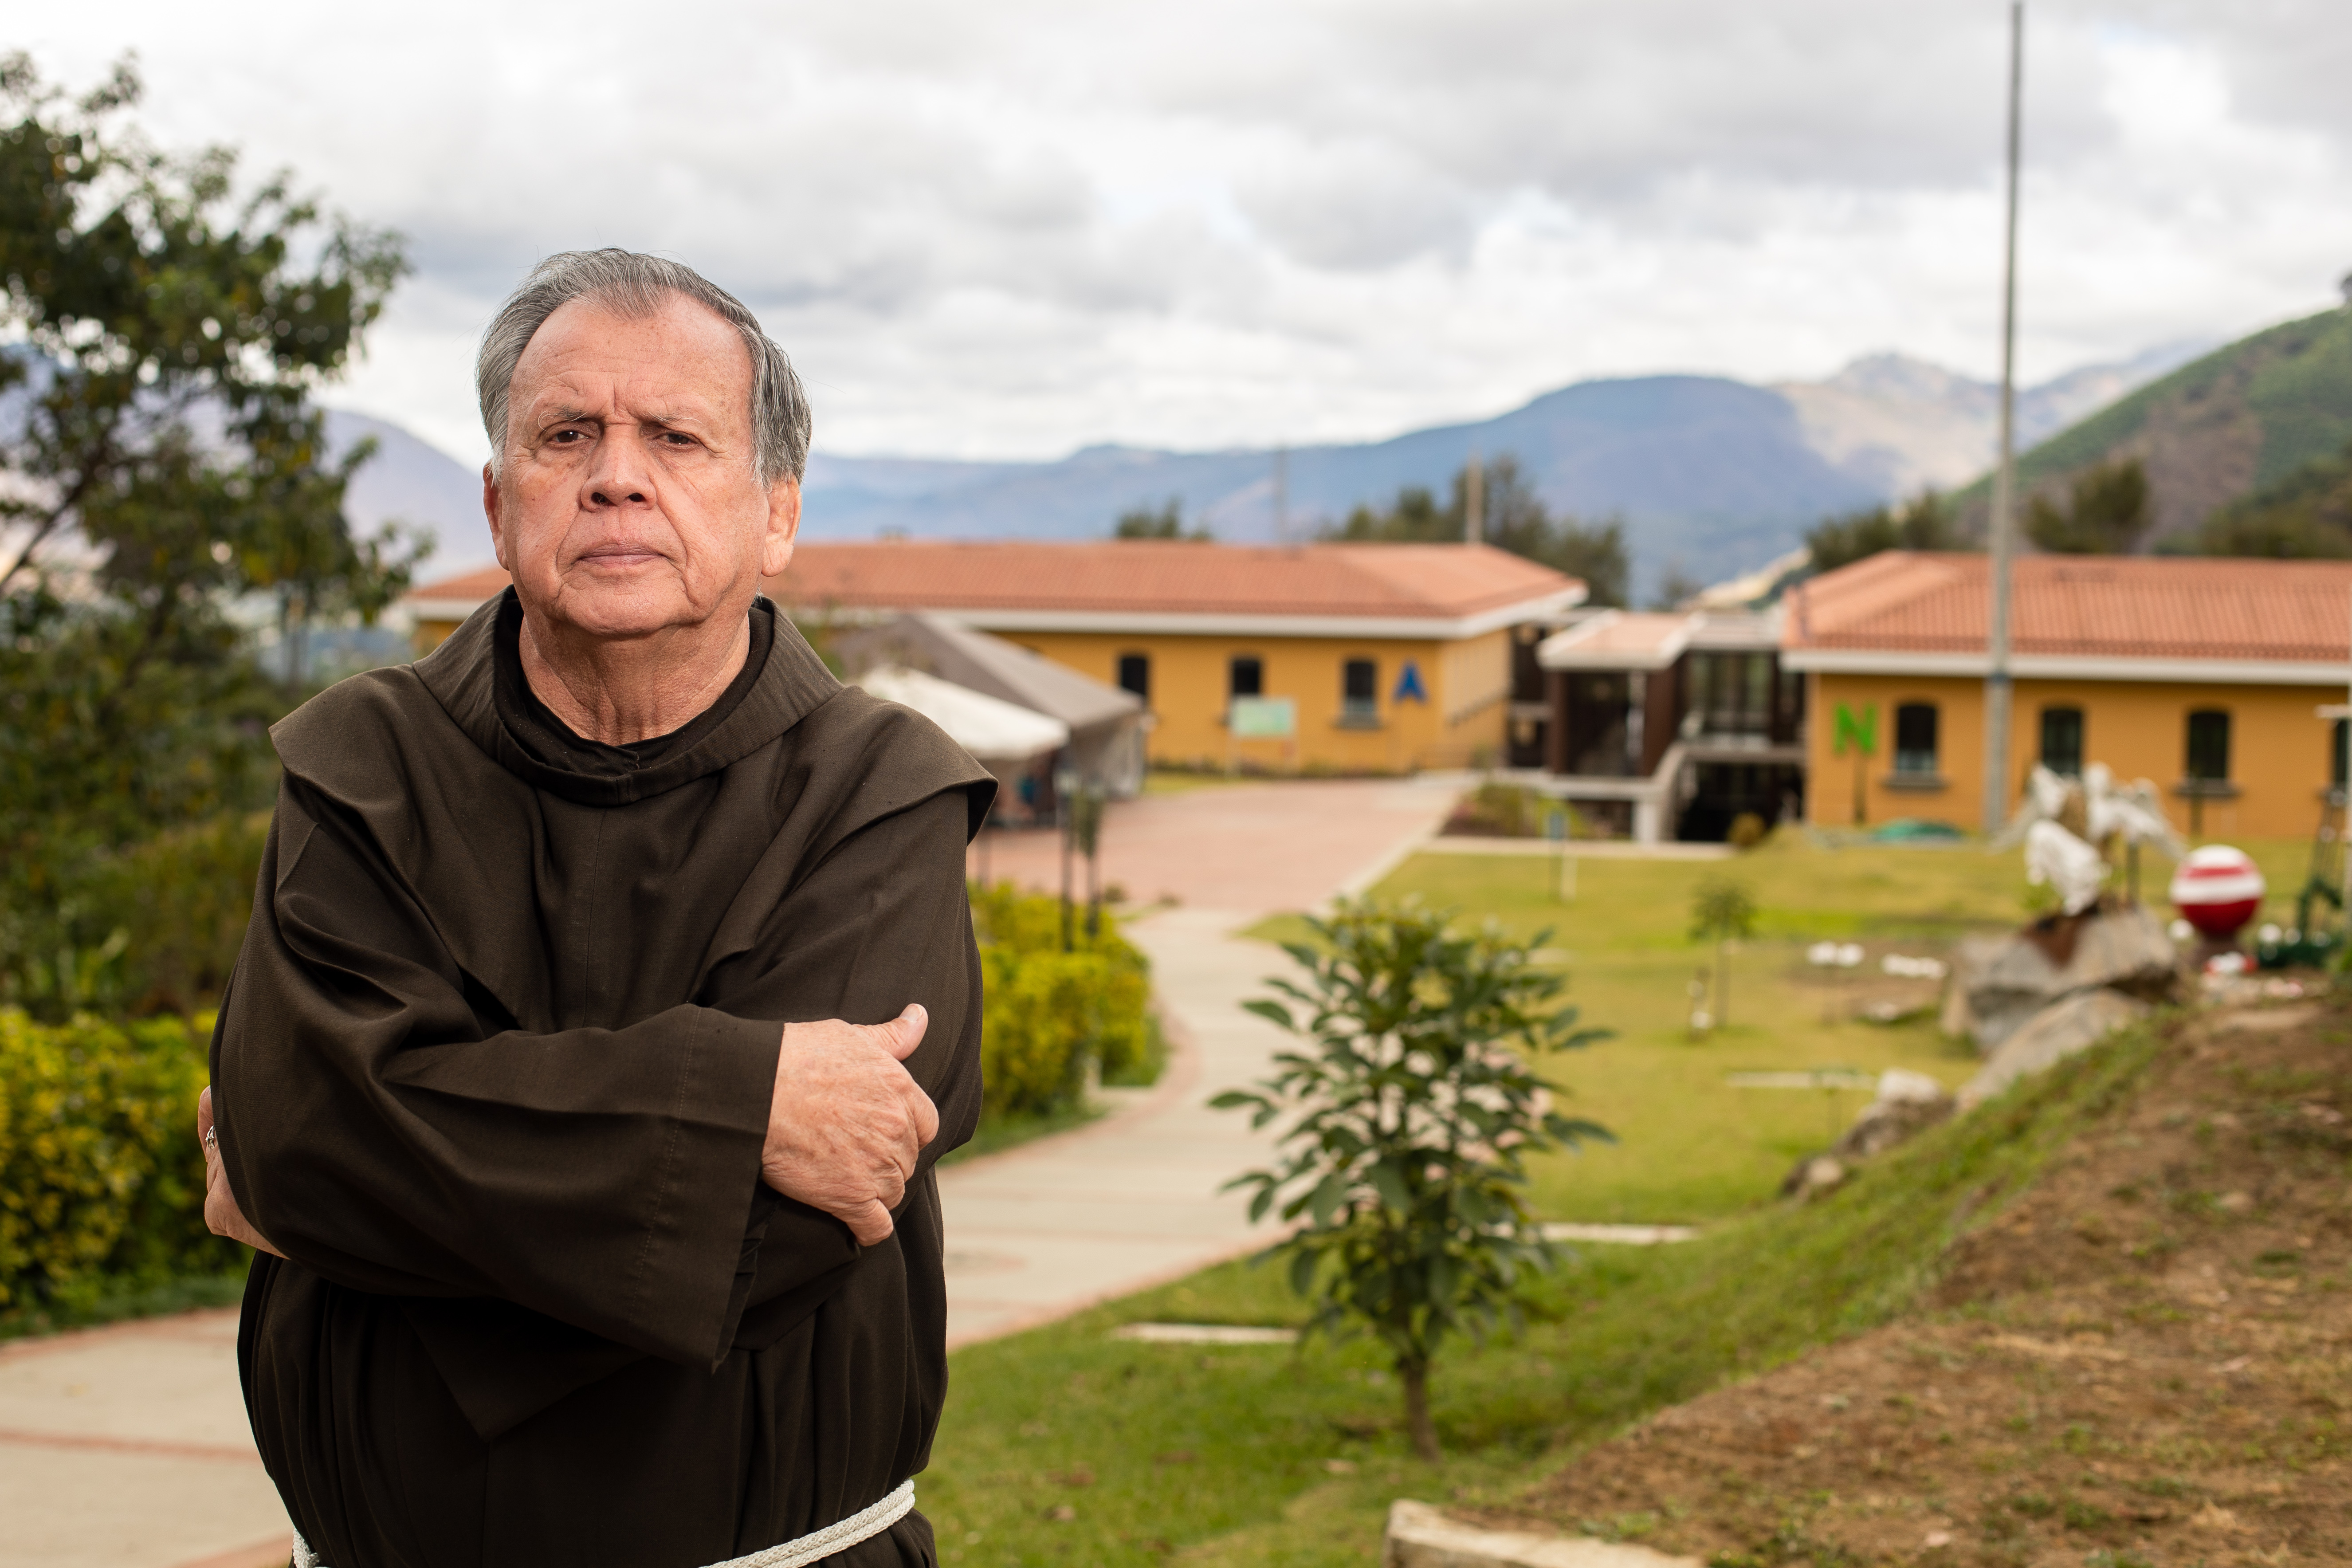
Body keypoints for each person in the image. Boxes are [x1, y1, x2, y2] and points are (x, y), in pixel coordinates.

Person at [198, 249, 991, 1568]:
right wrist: (740, 1108)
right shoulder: (358, 763)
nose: (617, 473)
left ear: (776, 513)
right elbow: (296, 1131)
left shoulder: (882, 792)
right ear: (504, 509)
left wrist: (352, 1208)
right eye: (568, 435)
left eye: (676, 437)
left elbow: (790, 1226)